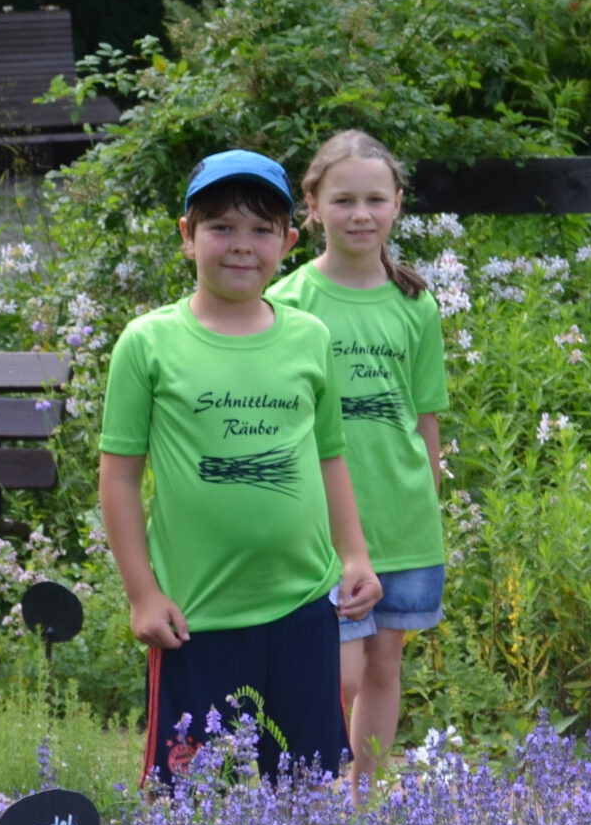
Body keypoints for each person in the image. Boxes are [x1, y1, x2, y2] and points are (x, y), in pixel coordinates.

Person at [99, 149, 382, 783]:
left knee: (308, 785)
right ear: (186, 236)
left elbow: (329, 457)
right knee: (190, 796)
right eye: (221, 227)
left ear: (287, 239)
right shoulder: (147, 343)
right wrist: (143, 595)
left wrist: (355, 556)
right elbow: (117, 479)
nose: (241, 246)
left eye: (260, 229)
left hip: (304, 607)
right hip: (197, 619)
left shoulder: (309, 336)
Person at [268, 131, 449, 793]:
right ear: (311, 205)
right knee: (337, 673)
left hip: (403, 522)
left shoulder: (414, 303)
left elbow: (423, 417)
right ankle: (309, 791)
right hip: (322, 529)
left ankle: (364, 798)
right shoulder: (286, 304)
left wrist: (426, 497)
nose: (361, 214)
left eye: (376, 199)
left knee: (382, 669)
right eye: (343, 200)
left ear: (398, 204)